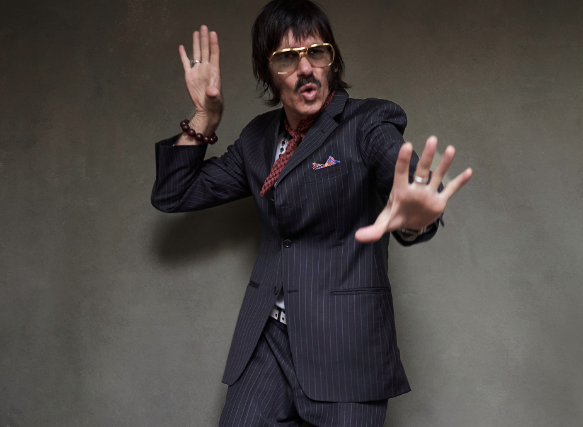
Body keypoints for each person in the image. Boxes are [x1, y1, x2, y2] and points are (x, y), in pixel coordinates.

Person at [151, 0, 472, 425]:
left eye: (316, 53)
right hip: (268, 343)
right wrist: (205, 118)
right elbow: (174, 193)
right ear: (267, 71)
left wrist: (416, 218)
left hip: (345, 348)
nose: (306, 68)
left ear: (330, 61)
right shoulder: (257, 140)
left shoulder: (367, 123)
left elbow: (405, 177)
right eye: (287, 58)